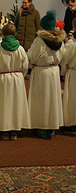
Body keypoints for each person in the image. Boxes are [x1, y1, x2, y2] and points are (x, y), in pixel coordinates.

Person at [27, 9, 66, 139]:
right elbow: (63, 56)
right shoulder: (59, 41)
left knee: (41, 100)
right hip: (54, 71)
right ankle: (52, 128)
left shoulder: (40, 41)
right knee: (52, 100)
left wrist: (30, 65)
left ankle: (41, 127)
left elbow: (31, 56)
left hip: (41, 72)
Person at [0, 24, 30, 140]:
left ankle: (4, 130)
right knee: (15, 104)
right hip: (17, 78)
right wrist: (19, 75)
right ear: (15, 34)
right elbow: (25, 65)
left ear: (3, 34)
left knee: (4, 105)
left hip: (3, 78)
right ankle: (14, 130)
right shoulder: (20, 49)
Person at [60, 24, 76, 135]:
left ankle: (71, 124)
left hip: (73, 72)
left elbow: (65, 59)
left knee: (71, 99)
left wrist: (63, 72)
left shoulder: (71, 43)